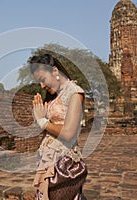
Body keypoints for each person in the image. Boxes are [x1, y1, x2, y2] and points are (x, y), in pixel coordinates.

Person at [29, 53, 88, 200]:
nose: (42, 86)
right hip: (47, 158)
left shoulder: (75, 92)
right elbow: (49, 128)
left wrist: (43, 121)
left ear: (55, 71)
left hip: (63, 163)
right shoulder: (55, 96)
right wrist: (40, 120)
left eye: (43, 80)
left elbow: (68, 133)